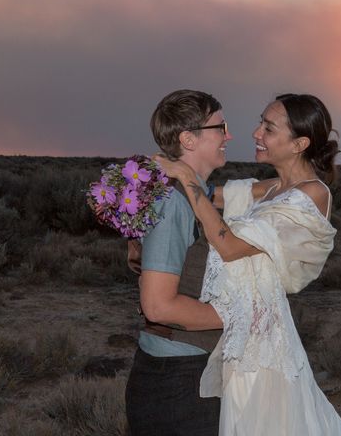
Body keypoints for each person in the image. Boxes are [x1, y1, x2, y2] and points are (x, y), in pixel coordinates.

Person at [156, 93, 341, 435]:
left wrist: (184, 176)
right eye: (261, 122)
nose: (256, 133)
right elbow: (213, 193)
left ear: (298, 143)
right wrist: (138, 189)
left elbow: (228, 246)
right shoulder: (273, 187)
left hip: (265, 338)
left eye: (269, 128)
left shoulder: (312, 194)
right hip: (246, 328)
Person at [125, 89, 231, 435]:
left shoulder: (192, 195)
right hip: (176, 383)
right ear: (189, 139)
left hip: (188, 372)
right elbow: (157, 305)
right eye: (220, 126)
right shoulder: (174, 202)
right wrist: (236, 316)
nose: (227, 135)